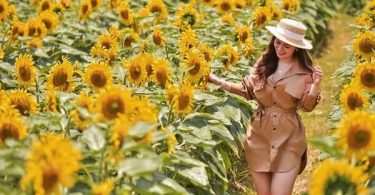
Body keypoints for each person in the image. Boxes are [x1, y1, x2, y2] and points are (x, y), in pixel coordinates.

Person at [208, 18, 323, 195]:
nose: (280, 48)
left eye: (287, 45)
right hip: (259, 135)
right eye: (278, 42)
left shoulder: (305, 73)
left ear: (297, 48)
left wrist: (315, 85)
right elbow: (246, 91)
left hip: (289, 138)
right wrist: (216, 81)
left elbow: (307, 107)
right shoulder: (264, 63)